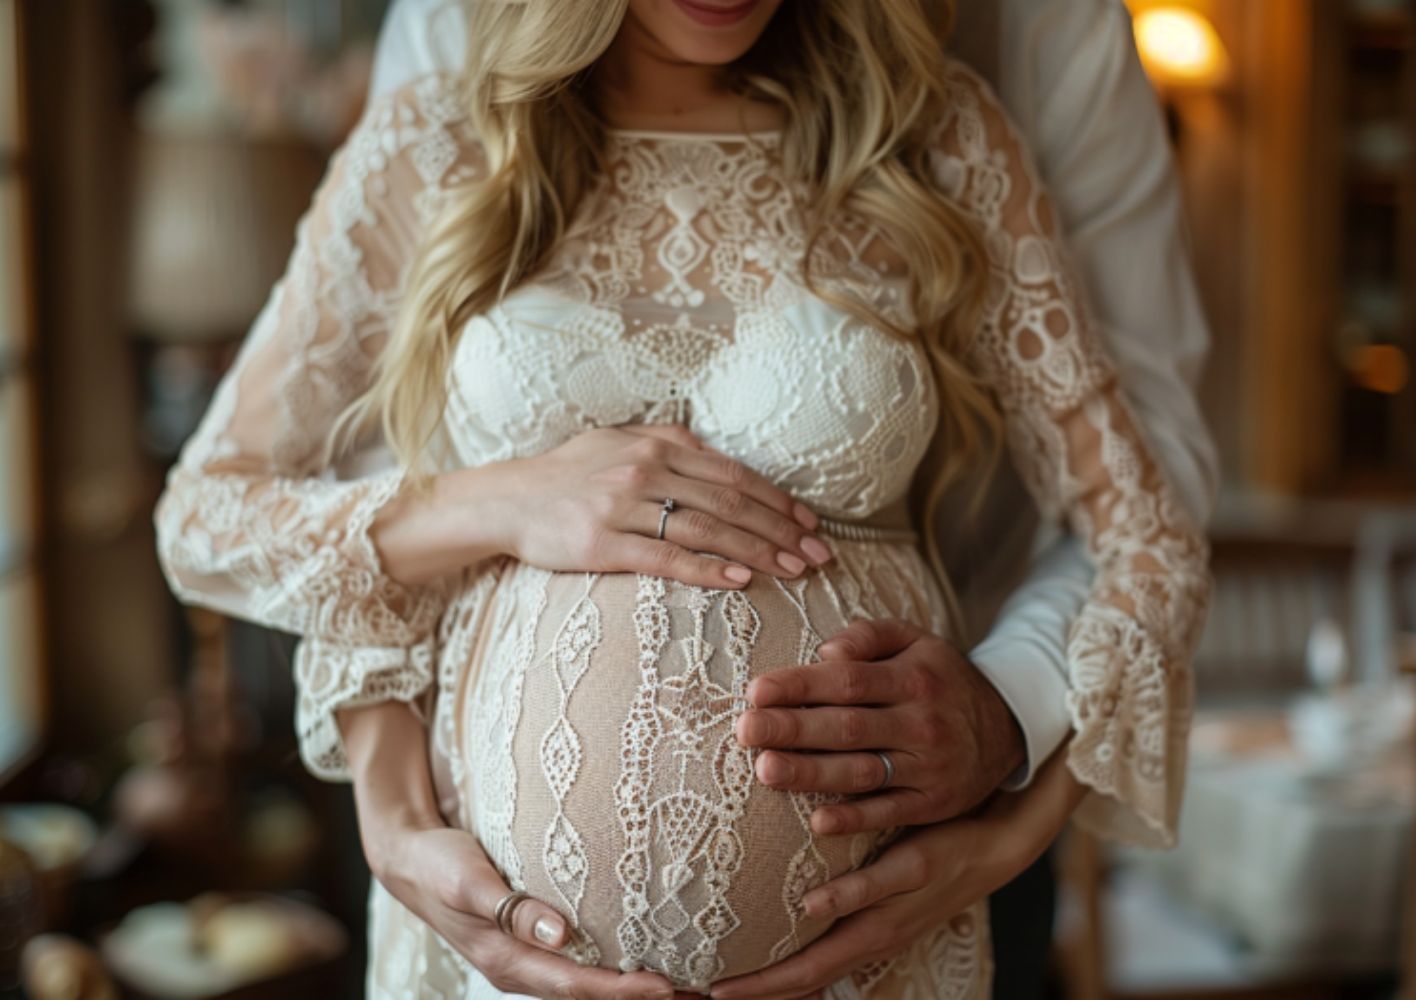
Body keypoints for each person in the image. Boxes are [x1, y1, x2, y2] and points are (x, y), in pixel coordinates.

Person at [154, 1, 1212, 997]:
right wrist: (501, 505)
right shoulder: (438, 142)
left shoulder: (931, 139)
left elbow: (1149, 540)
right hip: (493, 956)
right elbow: (210, 514)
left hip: (880, 953)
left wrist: (1015, 819)